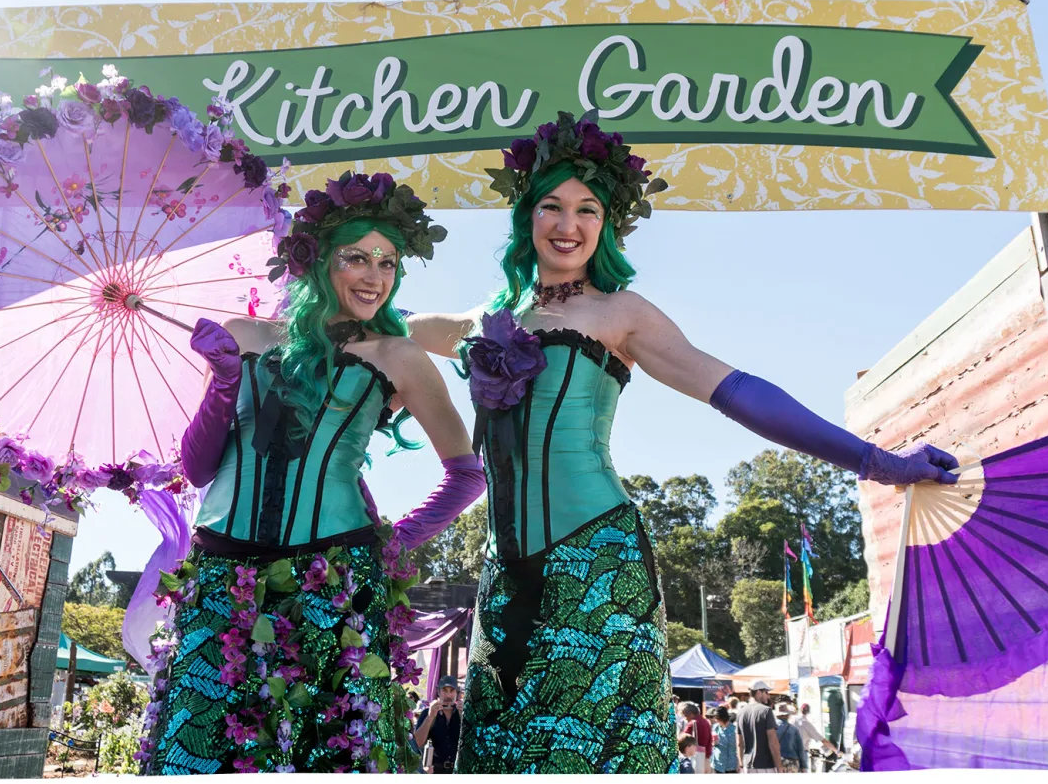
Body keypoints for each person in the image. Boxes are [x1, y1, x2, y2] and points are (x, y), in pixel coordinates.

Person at [407, 112, 960, 774]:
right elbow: (385, 328)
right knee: (498, 753)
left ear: (607, 223)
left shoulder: (621, 313)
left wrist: (878, 462)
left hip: (594, 562)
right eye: (551, 206)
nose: (567, 223)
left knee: (590, 754)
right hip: (502, 578)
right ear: (526, 216)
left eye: (588, 209)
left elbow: (739, 390)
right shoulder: (483, 319)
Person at [140, 174, 486, 774]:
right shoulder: (244, 337)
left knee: (325, 757)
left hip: (333, 586)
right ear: (318, 259)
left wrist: (387, 545)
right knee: (200, 756)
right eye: (356, 257)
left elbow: (466, 475)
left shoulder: (398, 356)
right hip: (222, 581)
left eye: (388, 262)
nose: (375, 276)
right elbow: (198, 470)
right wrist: (224, 382)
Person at [414, 676, 463, 774]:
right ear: (439, 692)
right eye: (444, 690)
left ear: (457, 693)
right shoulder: (427, 713)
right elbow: (417, 743)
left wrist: (464, 715)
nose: (448, 695)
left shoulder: (463, 712)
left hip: (460, 770)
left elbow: (474, 739)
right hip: (436, 771)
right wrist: (431, 717)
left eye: (452, 690)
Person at [736, 681, 780, 774]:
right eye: (766, 692)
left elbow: (739, 743)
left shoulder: (740, 713)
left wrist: (741, 764)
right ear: (759, 692)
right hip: (765, 766)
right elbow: (773, 743)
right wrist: (779, 767)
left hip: (747, 766)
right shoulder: (766, 711)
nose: (768, 696)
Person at [793, 702, 839, 771]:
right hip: (801, 754)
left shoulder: (792, 720)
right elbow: (823, 740)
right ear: (808, 712)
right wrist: (836, 750)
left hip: (790, 753)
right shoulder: (806, 723)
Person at [681, 702, 714, 773]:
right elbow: (710, 739)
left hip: (695, 757)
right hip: (706, 756)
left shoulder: (692, 723)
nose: (685, 718)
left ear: (690, 714)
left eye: (685, 715)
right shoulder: (705, 721)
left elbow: (682, 739)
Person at [774, 703, 805, 773]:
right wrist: (803, 766)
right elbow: (800, 749)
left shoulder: (771, 729)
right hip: (792, 762)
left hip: (776, 762)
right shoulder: (794, 729)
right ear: (787, 715)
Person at [710, 707, 740, 774]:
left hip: (732, 765)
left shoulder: (734, 729)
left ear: (721, 718)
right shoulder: (715, 727)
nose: (715, 720)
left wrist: (739, 764)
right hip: (718, 764)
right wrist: (713, 743)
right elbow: (712, 743)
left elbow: (739, 747)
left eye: (716, 718)